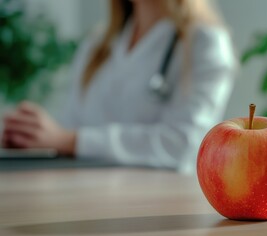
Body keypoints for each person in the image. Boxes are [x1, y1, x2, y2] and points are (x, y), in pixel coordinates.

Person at [1, 0, 236, 173]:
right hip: (79, 194)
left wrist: (69, 140)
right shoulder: (98, 43)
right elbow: (69, 126)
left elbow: (182, 145)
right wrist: (30, 137)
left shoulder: (205, 43)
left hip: (157, 204)